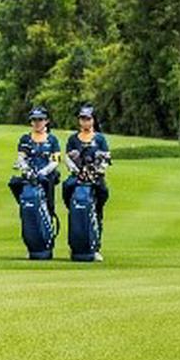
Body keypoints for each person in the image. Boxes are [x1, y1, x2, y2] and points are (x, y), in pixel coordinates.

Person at [62, 103, 111, 257]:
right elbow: (68, 158)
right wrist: (76, 170)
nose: (85, 122)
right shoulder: (73, 139)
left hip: (95, 178)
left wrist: (97, 171)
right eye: (82, 119)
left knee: (97, 210)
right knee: (68, 190)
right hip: (77, 177)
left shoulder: (100, 139)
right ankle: (76, 244)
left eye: (88, 119)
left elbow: (106, 159)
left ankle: (95, 246)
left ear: (93, 120)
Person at [7, 104, 61, 222]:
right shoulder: (25, 139)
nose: (37, 123)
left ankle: (49, 215)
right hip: (29, 174)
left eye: (40, 119)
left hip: (46, 174)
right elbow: (21, 157)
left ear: (46, 121)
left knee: (47, 186)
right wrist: (26, 169)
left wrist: (44, 172)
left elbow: (55, 160)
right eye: (34, 120)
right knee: (14, 183)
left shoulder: (52, 139)